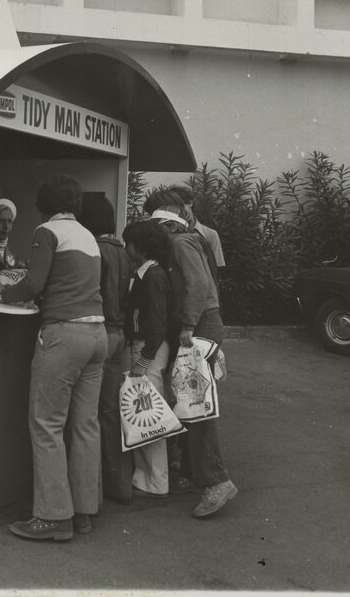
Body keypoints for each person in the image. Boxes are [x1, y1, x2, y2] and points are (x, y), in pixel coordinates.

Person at [0, 175, 107, 541]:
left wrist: (1, 294)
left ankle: (53, 517)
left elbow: (33, 283)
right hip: (97, 334)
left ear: (43, 206)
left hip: (63, 335)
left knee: (47, 424)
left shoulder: (47, 231)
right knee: (85, 425)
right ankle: (83, 511)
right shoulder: (87, 236)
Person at [146, 191, 238, 518]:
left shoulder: (180, 242)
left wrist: (188, 323)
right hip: (203, 325)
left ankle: (217, 481)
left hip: (198, 327)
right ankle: (193, 474)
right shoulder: (191, 239)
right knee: (192, 404)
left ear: (167, 224)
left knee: (196, 408)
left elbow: (198, 284)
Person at [78, 195, 133, 503]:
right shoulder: (123, 252)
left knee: (87, 415)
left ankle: (93, 492)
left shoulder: (94, 251)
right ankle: (120, 486)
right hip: (120, 335)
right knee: (111, 413)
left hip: (99, 331)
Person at [122, 219, 175, 499]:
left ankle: (155, 480)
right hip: (149, 347)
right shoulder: (150, 273)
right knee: (144, 410)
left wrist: (143, 360)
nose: (126, 248)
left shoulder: (152, 276)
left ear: (141, 247)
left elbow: (157, 322)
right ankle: (148, 477)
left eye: (129, 243)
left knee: (149, 413)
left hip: (149, 349)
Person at [171, 185, 226, 278]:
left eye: (181, 206)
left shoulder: (210, 234)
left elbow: (217, 268)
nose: (180, 212)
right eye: (174, 209)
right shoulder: (170, 233)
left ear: (190, 203)